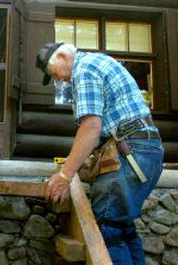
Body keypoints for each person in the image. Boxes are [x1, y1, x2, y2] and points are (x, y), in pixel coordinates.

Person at [36, 43, 164, 265]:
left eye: (54, 73)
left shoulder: (83, 69)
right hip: (145, 149)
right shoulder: (99, 62)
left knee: (108, 229)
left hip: (129, 152)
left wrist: (65, 175)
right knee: (122, 227)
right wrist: (78, 159)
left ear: (63, 56)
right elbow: (104, 126)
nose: (58, 80)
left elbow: (91, 128)